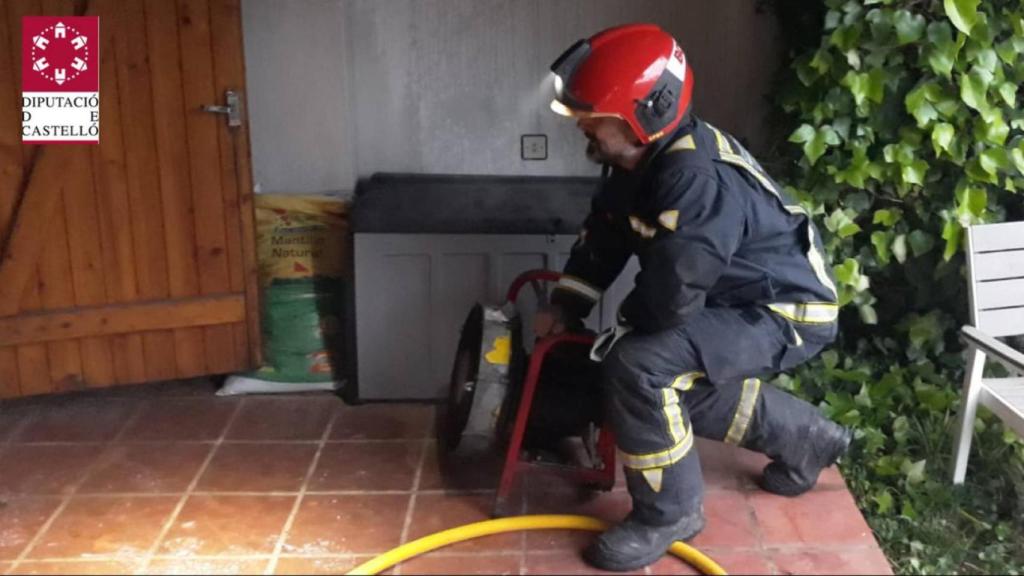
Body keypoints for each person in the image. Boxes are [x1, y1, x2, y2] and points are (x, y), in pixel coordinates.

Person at [540, 23, 853, 572]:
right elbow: (606, 239)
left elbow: (672, 294)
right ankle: (806, 439)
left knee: (639, 367)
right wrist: (567, 305)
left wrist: (622, 335)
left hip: (786, 310)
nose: (584, 127)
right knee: (659, 378)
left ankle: (670, 513)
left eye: (594, 118)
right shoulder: (634, 164)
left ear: (647, 112)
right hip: (734, 300)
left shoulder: (695, 178)